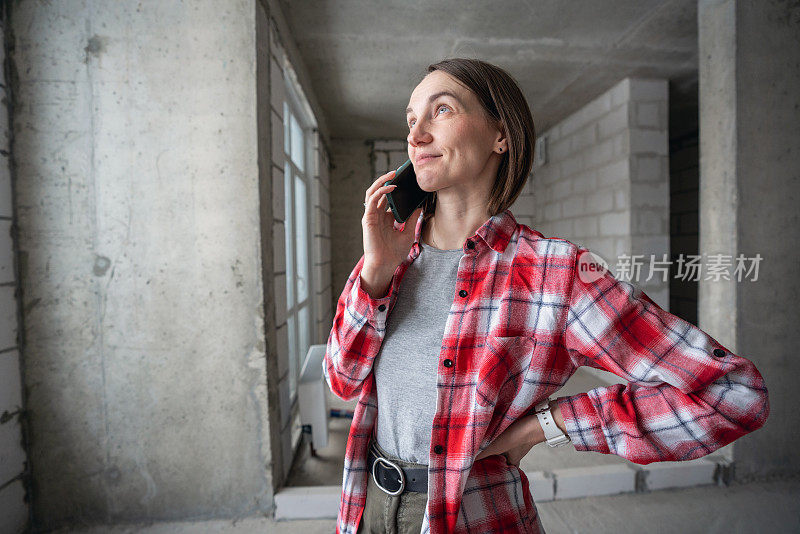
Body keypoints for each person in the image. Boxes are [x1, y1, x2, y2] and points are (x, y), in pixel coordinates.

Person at [323, 57, 770, 534]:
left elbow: (734, 395)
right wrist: (374, 272)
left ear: (502, 135)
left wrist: (552, 424)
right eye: (412, 119)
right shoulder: (391, 258)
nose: (416, 135)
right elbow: (343, 380)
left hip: (476, 517)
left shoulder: (558, 273)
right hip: (366, 508)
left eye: (443, 110)